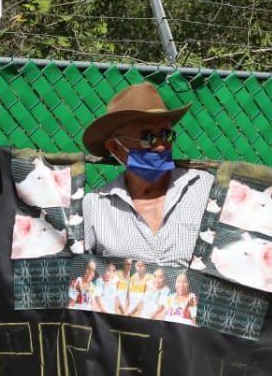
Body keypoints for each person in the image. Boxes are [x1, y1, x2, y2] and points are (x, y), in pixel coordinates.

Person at [81, 82, 213, 266]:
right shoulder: (96, 206)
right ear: (115, 148)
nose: (160, 146)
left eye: (166, 135)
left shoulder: (205, 189)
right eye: (147, 138)